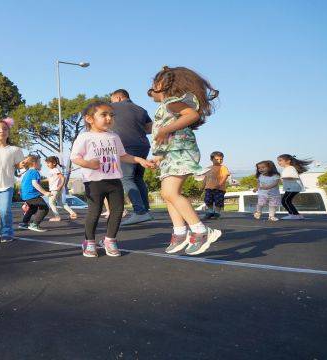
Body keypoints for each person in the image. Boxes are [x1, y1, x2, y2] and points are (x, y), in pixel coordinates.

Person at [148, 66, 222, 256]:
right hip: (170, 155)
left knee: (170, 192)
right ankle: (180, 232)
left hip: (181, 153)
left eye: (152, 87)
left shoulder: (172, 103)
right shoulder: (163, 109)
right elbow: (163, 138)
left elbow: (192, 115)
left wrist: (165, 130)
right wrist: (158, 156)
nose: (150, 93)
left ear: (160, 85)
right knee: (167, 194)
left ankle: (201, 230)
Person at [71, 101, 155, 258]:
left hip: (114, 180)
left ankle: (110, 240)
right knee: (94, 212)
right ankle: (89, 242)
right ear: (89, 119)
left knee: (117, 212)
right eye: (104, 115)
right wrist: (88, 163)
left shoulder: (114, 136)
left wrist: (139, 160)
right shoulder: (85, 137)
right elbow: (74, 157)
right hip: (94, 182)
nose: (109, 118)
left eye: (111, 115)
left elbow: (123, 156)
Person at [110, 89, 154, 225]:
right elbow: (150, 129)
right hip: (143, 146)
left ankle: (140, 211)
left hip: (126, 145)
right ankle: (145, 210)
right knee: (138, 178)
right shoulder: (141, 109)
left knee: (126, 178)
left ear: (117, 98)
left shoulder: (112, 107)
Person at [17, 155, 50, 232]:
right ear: (34, 163)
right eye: (39, 163)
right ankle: (34, 224)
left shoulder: (28, 172)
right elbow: (35, 183)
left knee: (33, 208)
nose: (41, 165)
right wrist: (45, 192)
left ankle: (24, 223)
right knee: (44, 208)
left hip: (26, 195)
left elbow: (23, 184)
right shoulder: (35, 172)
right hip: (32, 195)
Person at [277, 154, 312, 220]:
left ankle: (293, 215)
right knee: (287, 201)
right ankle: (296, 215)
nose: (279, 162)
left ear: (288, 161)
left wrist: (281, 178)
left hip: (293, 188)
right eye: (278, 161)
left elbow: (293, 176)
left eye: (280, 160)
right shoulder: (288, 168)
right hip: (292, 188)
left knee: (285, 201)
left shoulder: (290, 168)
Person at [44, 156, 77, 222]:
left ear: (54, 163)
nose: (47, 164)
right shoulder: (52, 171)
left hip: (55, 189)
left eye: (48, 163)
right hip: (56, 189)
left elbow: (63, 178)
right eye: (46, 163)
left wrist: (60, 186)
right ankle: (72, 213)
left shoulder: (55, 170)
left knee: (51, 203)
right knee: (61, 203)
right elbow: (50, 179)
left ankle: (57, 217)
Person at [202, 151, 230, 220]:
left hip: (219, 189)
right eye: (217, 159)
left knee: (218, 201)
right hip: (208, 188)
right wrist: (202, 186)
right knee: (208, 200)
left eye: (221, 159)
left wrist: (220, 184)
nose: (219, 161)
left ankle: (217, 213)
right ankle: (210, 212)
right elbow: (205, 178)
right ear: (211, 159)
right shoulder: (208, 168)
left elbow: (225, 176)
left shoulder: (223, 168)